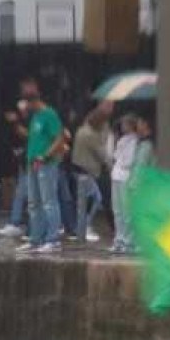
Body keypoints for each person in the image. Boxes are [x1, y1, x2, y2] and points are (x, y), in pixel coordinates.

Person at [19, 79, 66, 255]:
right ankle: (35, 239)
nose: (27, 107)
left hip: (46, 164)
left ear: (34, 101)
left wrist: (45, 155)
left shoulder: (49, 114)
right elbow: (33, 137)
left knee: (49, 202)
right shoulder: (35, 117)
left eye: (28, 104)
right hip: (32, 163)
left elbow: (59, 139)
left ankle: (52, 239)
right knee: (33, 203)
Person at [70, 102, 112, 243]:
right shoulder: (91, 135)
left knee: (85, 200)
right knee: (95, 199)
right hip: (86, 171)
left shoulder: (82, 130)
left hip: (78, 169)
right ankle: (84, 228)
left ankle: (81, 228)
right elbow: (101, 154)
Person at [109, 113, 142, 254]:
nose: (122, 126)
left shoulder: (135, 141)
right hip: (116, 176)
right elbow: (114, 156)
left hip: (125, 177)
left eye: (125, 124)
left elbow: (128, 160)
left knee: (126, 210)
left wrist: (120, 158)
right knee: (117, 210)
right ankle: (119, 239)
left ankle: (129, 241)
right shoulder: (122, 140)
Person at [0, 101, 31, 239]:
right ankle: (19, 223)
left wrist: (16, 123)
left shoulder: (32, 121)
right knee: (23, 193)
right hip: (25, 162)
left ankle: (16, 223)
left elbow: (28, 135)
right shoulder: (23, 122)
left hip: (32, 162)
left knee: (24, 194)